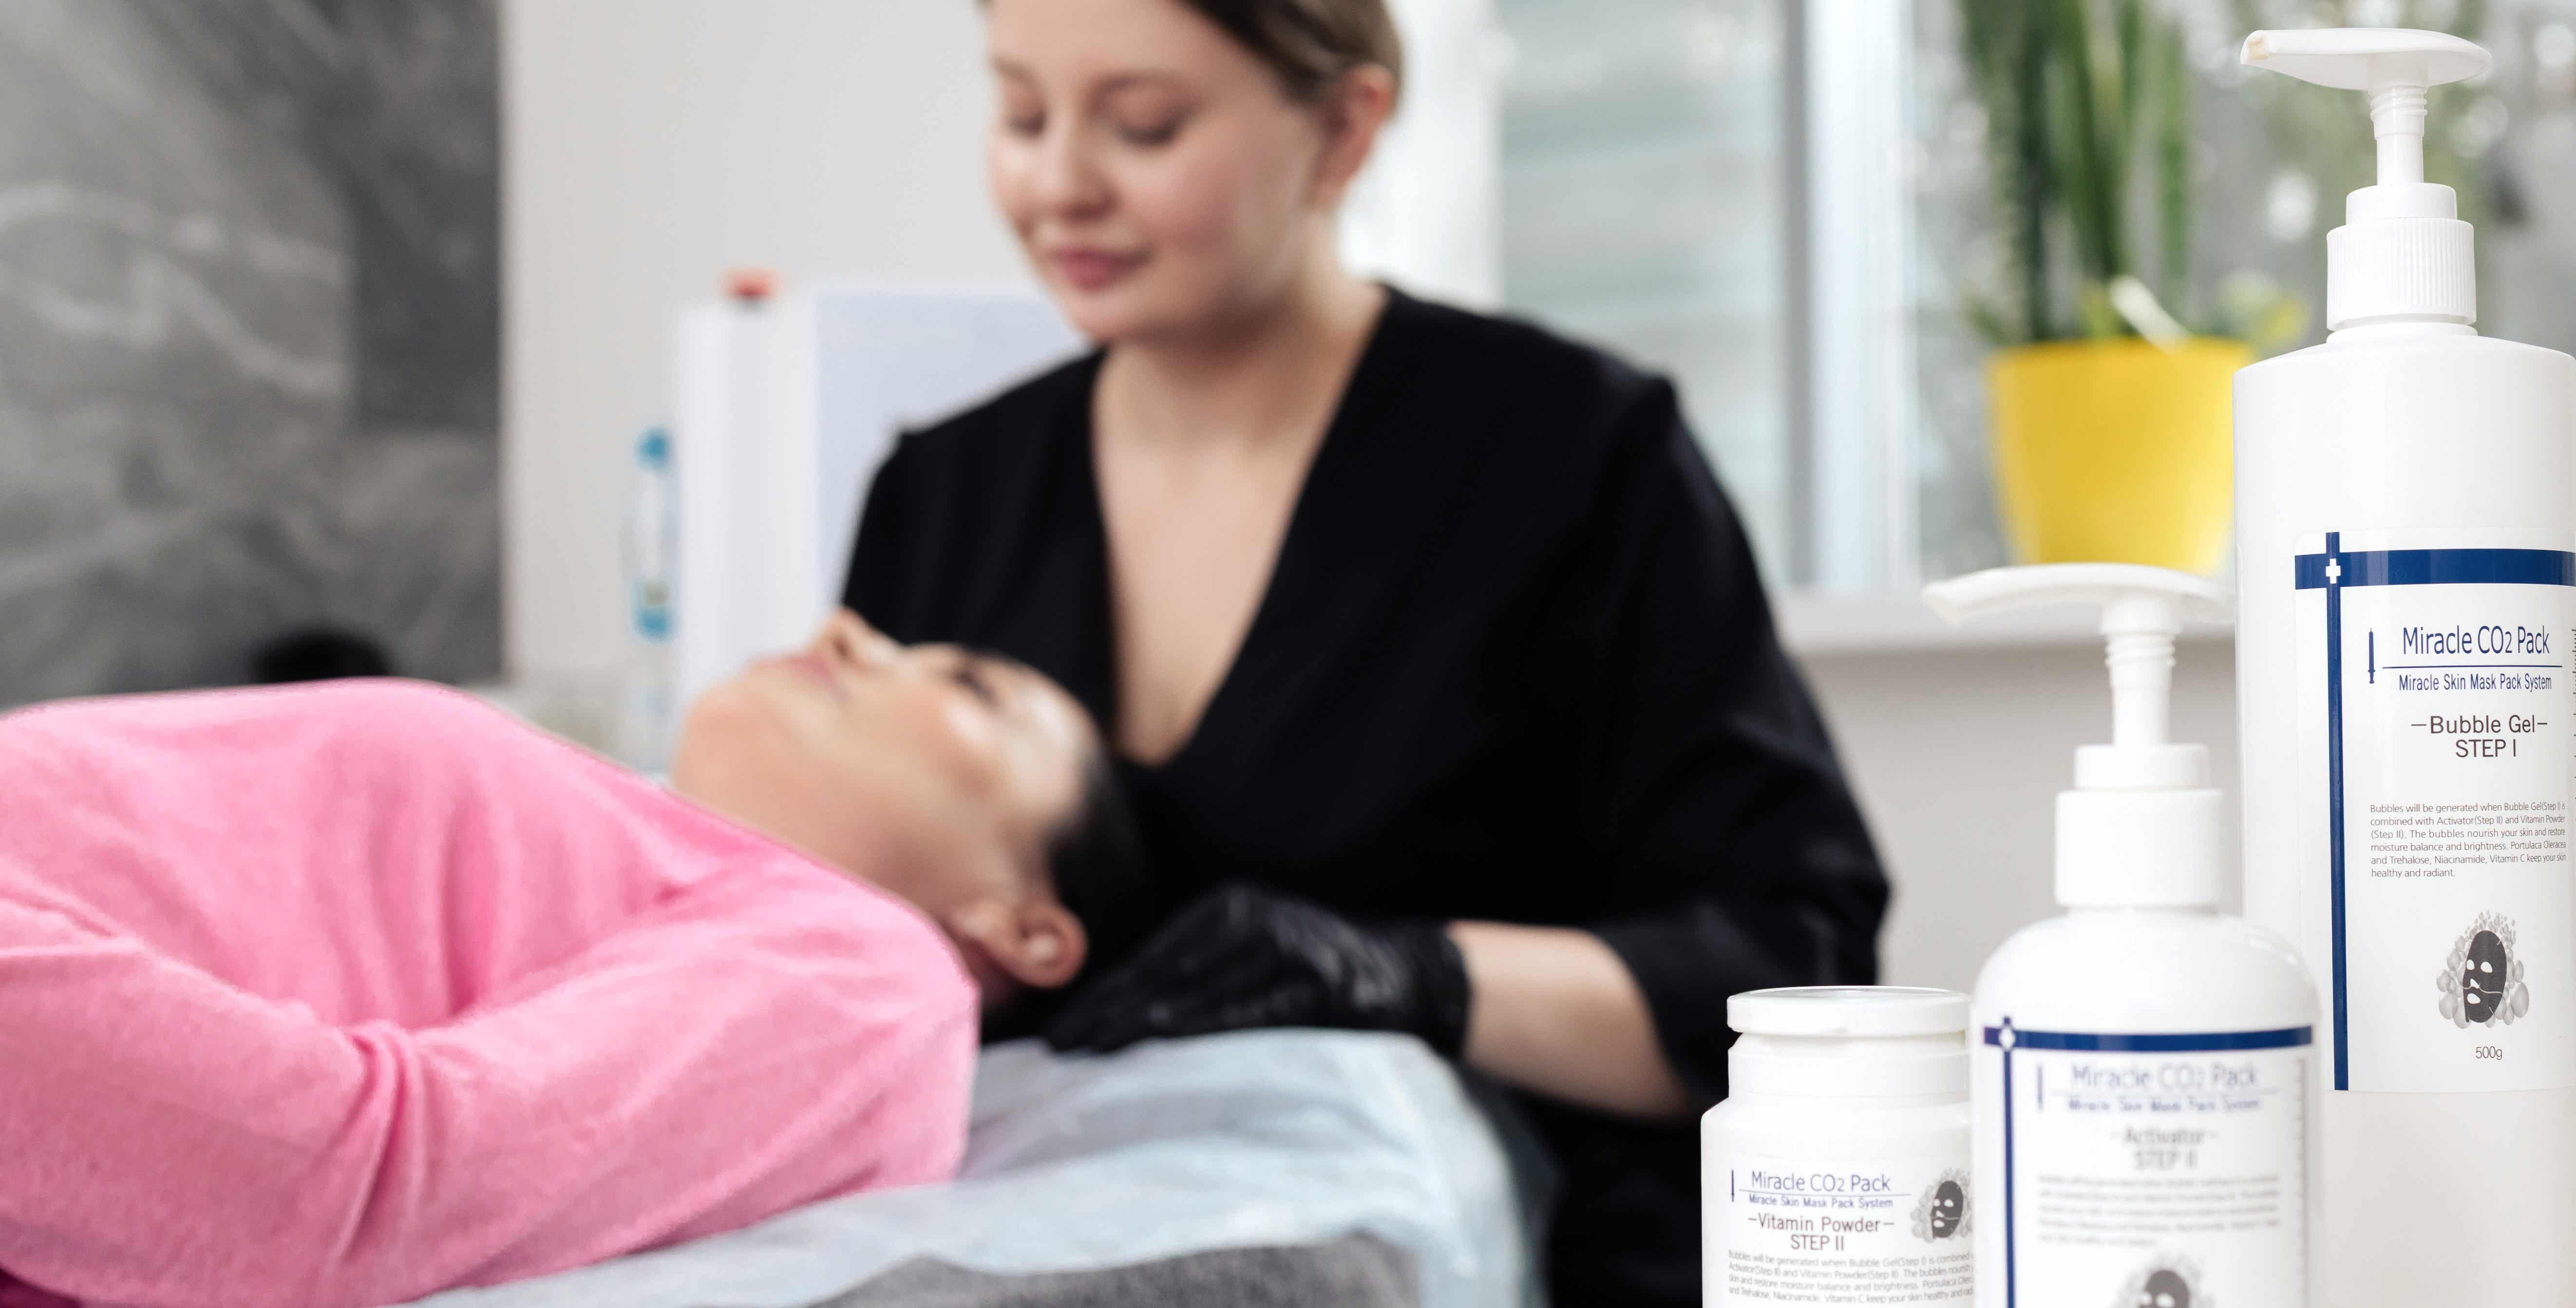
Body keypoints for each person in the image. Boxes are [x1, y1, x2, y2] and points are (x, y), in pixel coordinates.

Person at [840, 0, 1889, 1301]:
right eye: (1021, 113)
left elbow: (1796, 968)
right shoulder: (943, 498)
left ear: (1343, 130)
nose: (1058, 184)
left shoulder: (1568, 455)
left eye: (1144, 126)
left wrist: (1423, 975)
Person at [0, 612, 1098, 1308]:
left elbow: (354, 1189)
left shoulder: (880, 973)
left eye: (971, 687)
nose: (849, 629)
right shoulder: (634, 855)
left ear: (1027, 929)